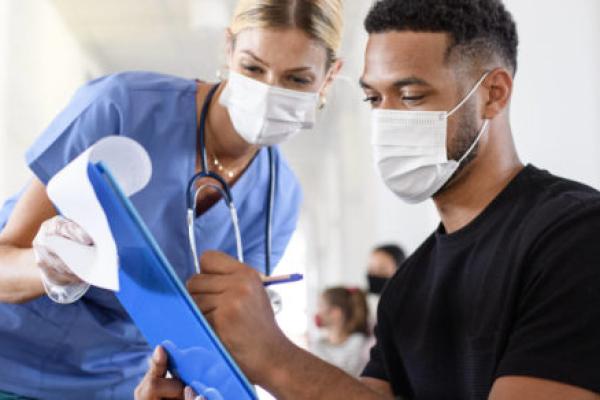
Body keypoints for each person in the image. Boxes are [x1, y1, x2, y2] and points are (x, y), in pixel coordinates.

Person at [138, 0, 600, 399]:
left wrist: (274, 356)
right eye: (374, 99)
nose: (387, 119)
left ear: (493, 94)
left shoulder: (573, 238)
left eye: (411, 95)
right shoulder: (406, 289)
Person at [0, 0, 343, 398]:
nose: (269, 92)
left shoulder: (279, 200)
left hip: (111, 385)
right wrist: (48, 267)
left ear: (329, 77)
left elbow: (205, 334)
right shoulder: (121, 106)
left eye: (297, 80)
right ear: (228, 50)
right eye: (253, 68)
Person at [310, 287, 370, 377]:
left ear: (335, 313)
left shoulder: (361, 345)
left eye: (320, 306)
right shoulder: (318, 344)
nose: (317, 312)